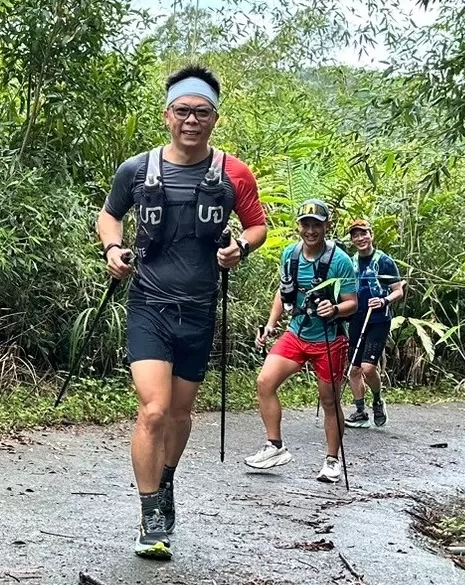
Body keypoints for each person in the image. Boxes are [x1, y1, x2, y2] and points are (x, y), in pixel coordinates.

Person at [96, 65, 267, 559]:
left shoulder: (233, 173)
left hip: (199, 307)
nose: (191, 120)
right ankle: (151, 514)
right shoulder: (137, 169)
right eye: (183, 111)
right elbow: (111, 214)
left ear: (215, 118)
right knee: (152, 410)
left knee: (179, 413)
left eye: (202, 112)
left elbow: (257, 226)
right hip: (148, 303)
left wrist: (240, 246)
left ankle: (166, 480)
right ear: (167, 114)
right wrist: (113, 248)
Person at [244, 199, 357, 483]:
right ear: (299, 227)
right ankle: (275, 447)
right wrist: (270, 325)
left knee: (329, 401)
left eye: (316, 225)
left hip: (329, 339)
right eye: (306, 224)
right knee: (265, 382)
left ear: (326, 227)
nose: (310, 230)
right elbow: (283, 295)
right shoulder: (290, 256)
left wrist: (334, 309)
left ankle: (332, 461)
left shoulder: (339, 261)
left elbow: (353, 304)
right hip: (297, 333)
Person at [344, 219, 404, 428]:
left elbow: (398, 290)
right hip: (357, 318)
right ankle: (360, 412)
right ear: (352, 239)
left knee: (368, 369)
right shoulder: (350, 262)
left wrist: (383, 300)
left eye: (364, 233)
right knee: (353, 368)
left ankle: (377, 400)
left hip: (378, 319)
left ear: (371, 235)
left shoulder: (384, 261)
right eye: (355, 235)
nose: (360, 238)